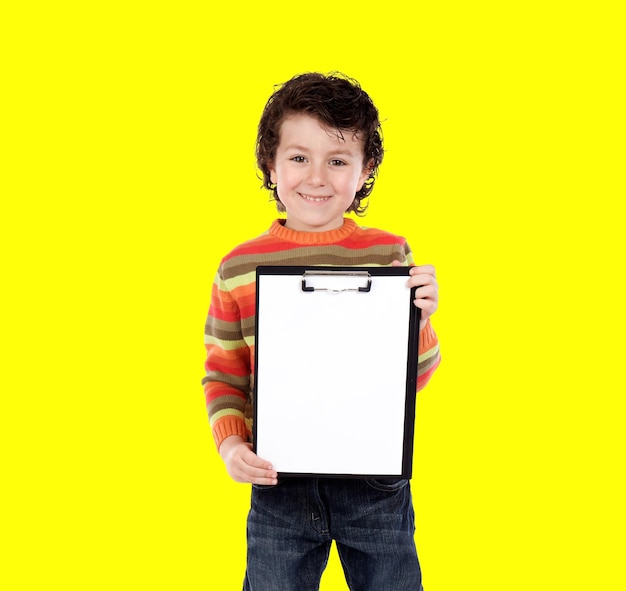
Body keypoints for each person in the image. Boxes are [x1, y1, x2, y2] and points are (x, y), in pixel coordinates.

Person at [203, 72, 441, 591]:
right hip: (278, 477)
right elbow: (223, 373)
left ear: (364, 171)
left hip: (374, 479)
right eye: (298, 157)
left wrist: (420, 322)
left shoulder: (389, 254)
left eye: (337, 161)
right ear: (271, 164)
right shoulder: (238, 266)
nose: (316, 176)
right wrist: (230, 445)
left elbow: (412, 381)